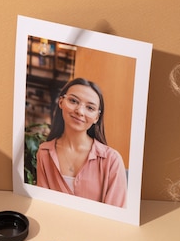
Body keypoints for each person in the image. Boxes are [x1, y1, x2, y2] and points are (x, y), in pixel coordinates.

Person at [36, 77, 127, 207]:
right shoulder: (44, 152)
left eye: (90, 108)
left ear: (97, 117)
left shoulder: (112, 160)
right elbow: (43, 205)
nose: (79, 111)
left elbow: (116, 217)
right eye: (73, 101)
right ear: (61, 102)